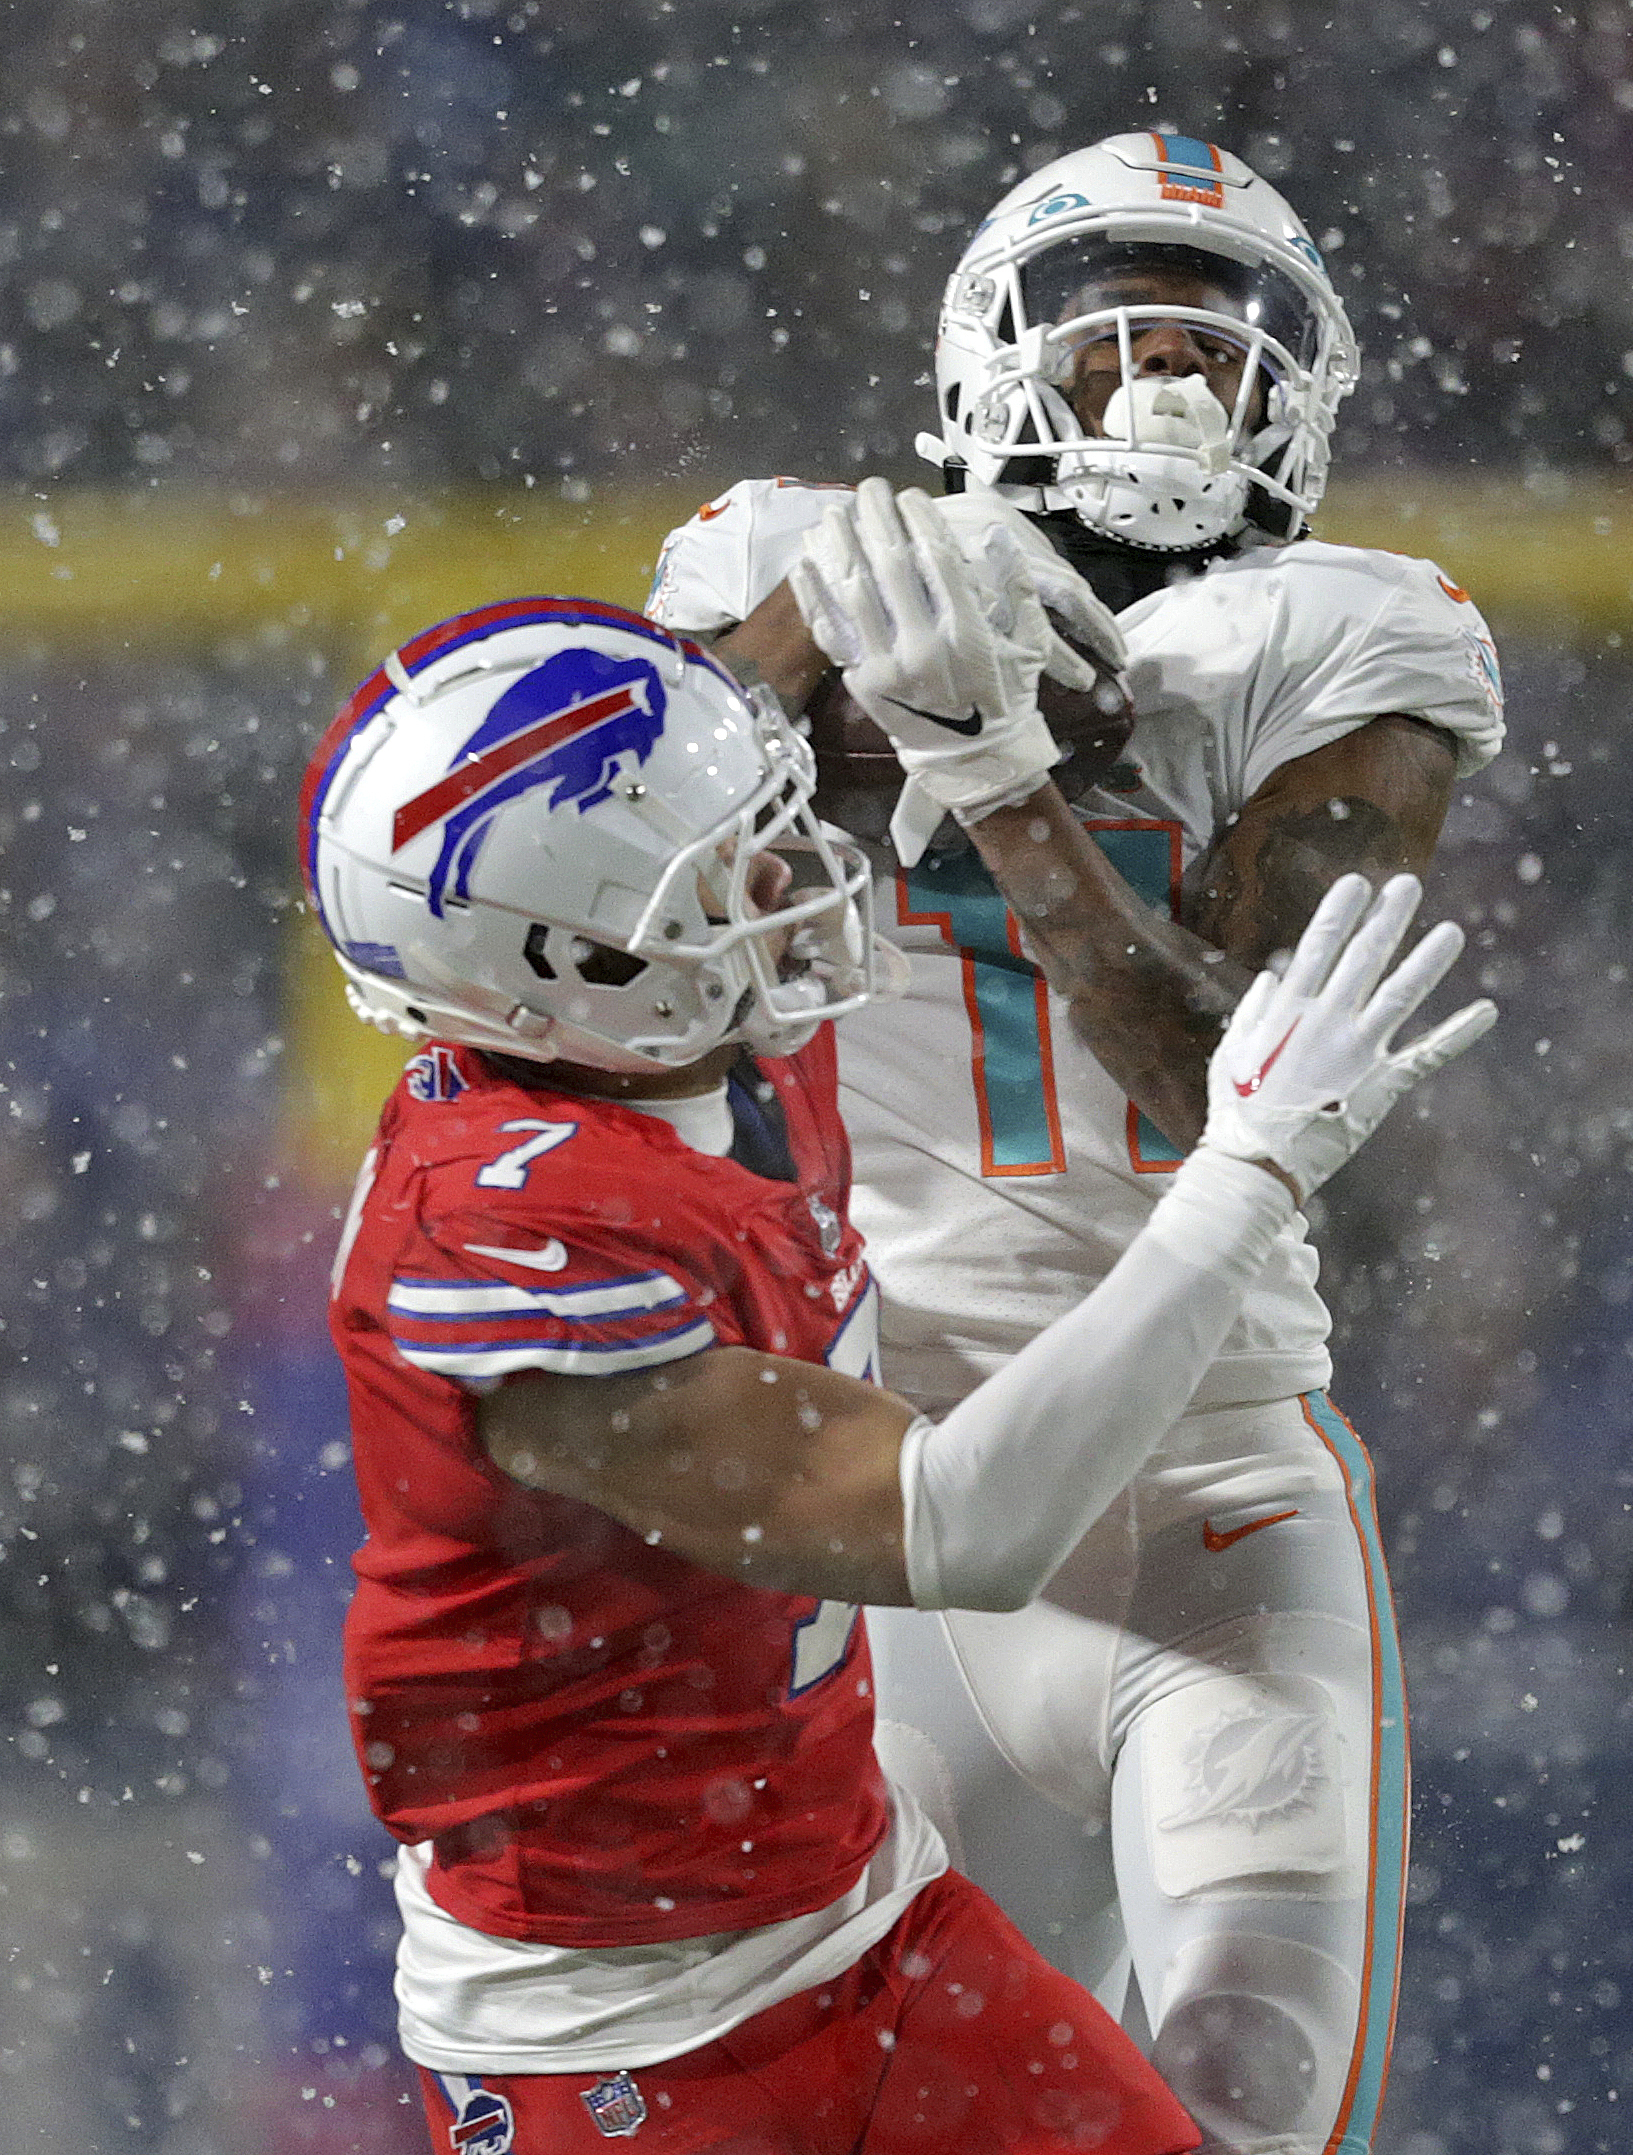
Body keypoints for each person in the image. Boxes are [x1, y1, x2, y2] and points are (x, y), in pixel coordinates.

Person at [297, 593, 1491, 2154]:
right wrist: (1246, 1175)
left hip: (870, 1924)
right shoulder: (503, 1233)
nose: (792, 877)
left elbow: (747, 698)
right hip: (623, 2041)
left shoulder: (672, 1046)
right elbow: (961, 1529)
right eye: (729, 871)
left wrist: (872, 576)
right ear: (567, 965)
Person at [642, 133, 1506, 2155]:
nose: (1174, 373)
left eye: (1218, 334)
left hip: (1207, 1494)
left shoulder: (1344, 639)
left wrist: (1000, 774)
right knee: (811, 2118)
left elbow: (1224, 1075)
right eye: (1119, 328)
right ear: (998, 355)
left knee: (1234, 2109)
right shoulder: (808, 549)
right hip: (881, 1484)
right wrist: (802, 651)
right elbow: (618, 862)